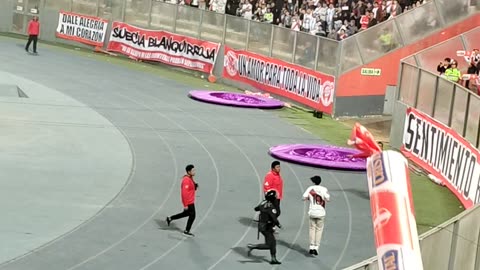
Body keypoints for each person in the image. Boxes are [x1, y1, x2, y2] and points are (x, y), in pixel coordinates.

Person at [247, 190, 282, 265]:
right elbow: (274, 218)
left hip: (262, 225)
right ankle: (253, 246)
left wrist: (262, 206)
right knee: (270, 244)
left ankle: (273, 259)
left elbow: (256, 208)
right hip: (267, 227)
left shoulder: (264, 203)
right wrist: (279, 225)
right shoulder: (271, 206)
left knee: (273, 243)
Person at [166, 164, 198, 237]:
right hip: (189, 202)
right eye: (193, 170)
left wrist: (195, 186)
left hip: (191, 200)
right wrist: (185, 205)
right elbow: (184, 193)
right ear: (189, 171)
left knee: (186, 214)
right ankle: (186, 231)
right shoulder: (186, 180)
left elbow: (191, 188)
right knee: (192, 215)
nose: (194, 171)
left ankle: (170, 218)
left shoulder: (190, 178)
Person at [302, 175, 330, 256]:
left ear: (313, 182)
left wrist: (309, 198)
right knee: (319, 230)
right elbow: (328, 199)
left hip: (312, 212)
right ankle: (316, 247)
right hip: (321, 212)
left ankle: (311, 246)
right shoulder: (324, 189)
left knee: (312, 229)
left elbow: (304, 197)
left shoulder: (310, 188)